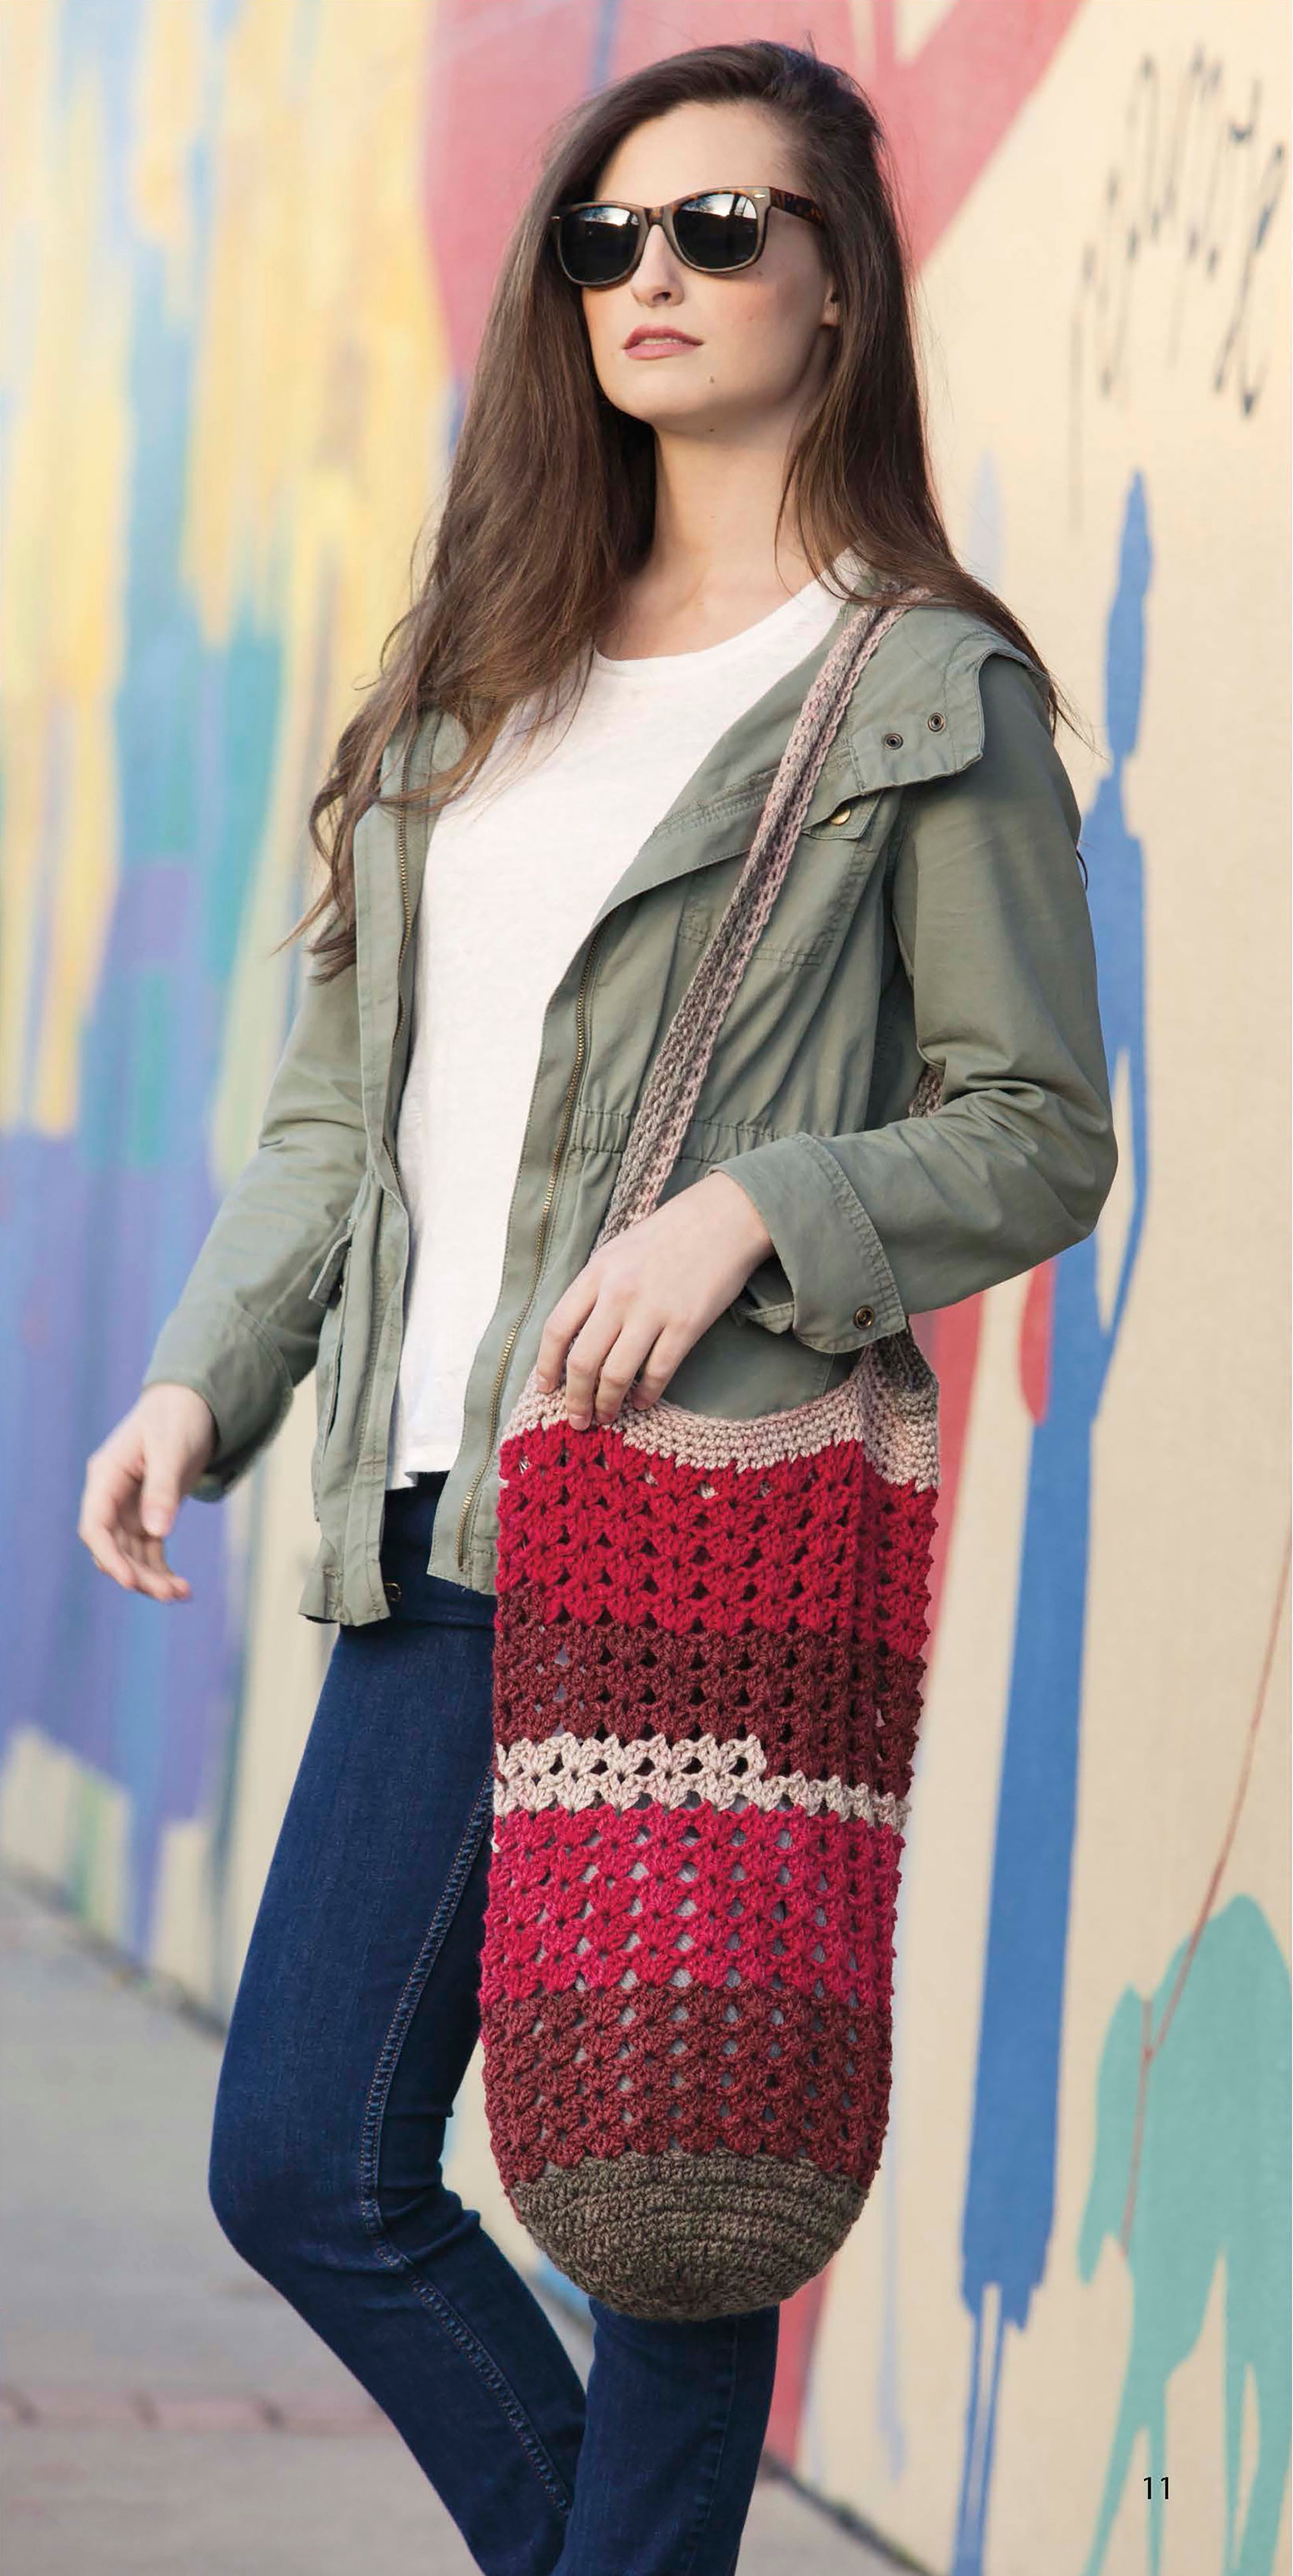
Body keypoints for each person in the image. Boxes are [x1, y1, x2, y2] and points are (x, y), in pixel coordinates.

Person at [76, 39, 1116, 2576]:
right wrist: (210, 1371)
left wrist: (753, 1206)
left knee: (675, 2192)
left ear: (839, 284)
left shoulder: (916, 690)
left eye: (716, 233)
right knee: (306, 2156)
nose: (647, 280)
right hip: (436, 1508)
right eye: (602, 240)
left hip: (699, 1516)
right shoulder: (480, 668)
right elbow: (341, 1112)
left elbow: (1036, 1131)